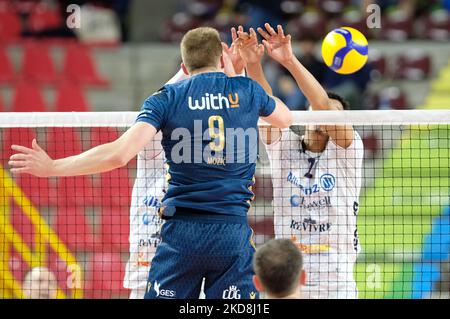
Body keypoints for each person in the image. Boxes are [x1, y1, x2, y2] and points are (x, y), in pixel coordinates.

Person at [9, 26, 292, 299]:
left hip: (183, 234)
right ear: (220, 56)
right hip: (231, 232)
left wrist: (53, 167)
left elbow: (119, 154)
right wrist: (235, 73)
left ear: (184, 62)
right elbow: (284, 119)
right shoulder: (246, 91)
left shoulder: (166, 98)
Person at [244, 23, 364, 299]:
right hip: (287, 282)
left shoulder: (348, 152)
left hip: (337, 284)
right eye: (314, 109)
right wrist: (254, 65)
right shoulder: (285, 149)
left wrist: (289, 59)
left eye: (331, 112)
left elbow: (322, 106)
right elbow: (266, 108)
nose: (321, 115)